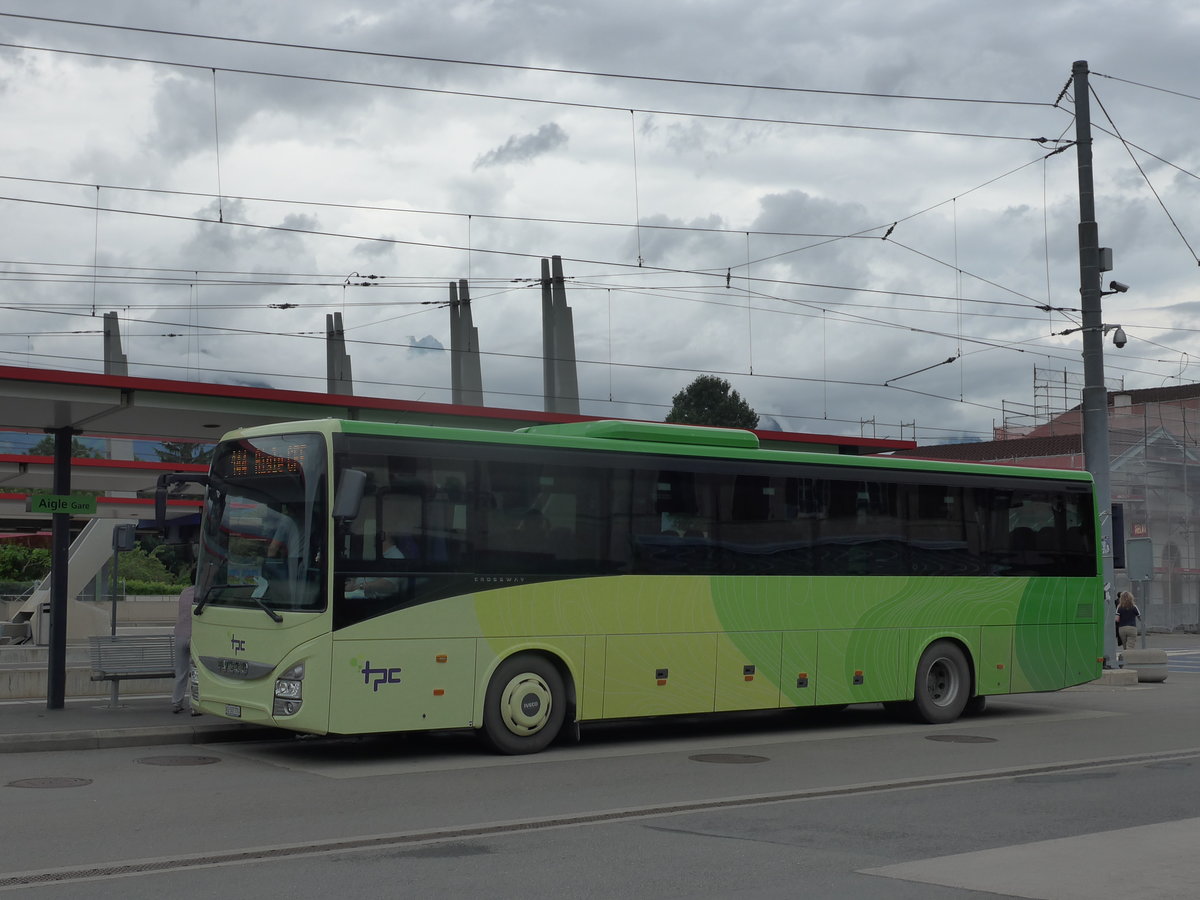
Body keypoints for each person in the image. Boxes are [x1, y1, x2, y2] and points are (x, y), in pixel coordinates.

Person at [345, 532, 405, 598]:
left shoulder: (396, 556)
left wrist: (358, 587)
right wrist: (352, 582)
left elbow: (388, 584)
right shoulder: (378, 554)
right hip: (358, 591)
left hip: (376, 599)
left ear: (384, 538)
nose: (374, 542)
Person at [172, 573, 197, 714]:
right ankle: (194, 705)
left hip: (180, 634)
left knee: (181, 671)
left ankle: (176, 702)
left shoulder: (184, 592)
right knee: (196, 672)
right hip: (195, 637)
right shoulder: (203, 594)